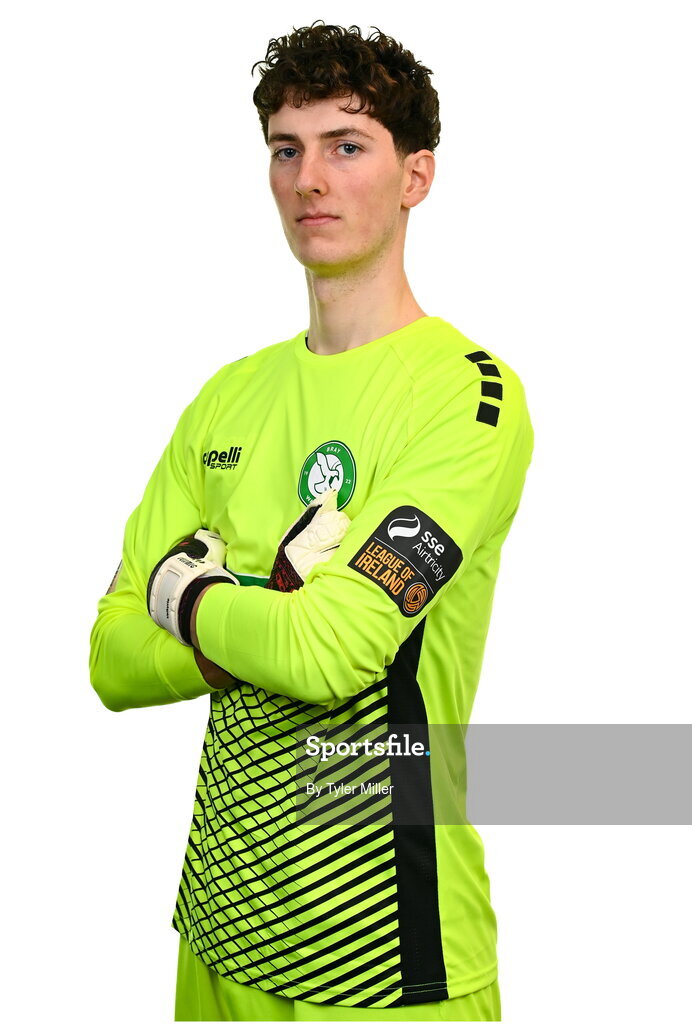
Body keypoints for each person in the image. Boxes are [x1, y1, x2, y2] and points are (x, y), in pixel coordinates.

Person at [89, 20, 533, 1023]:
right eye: (284, 149)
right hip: (217, 936)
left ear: (416, 175)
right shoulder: (226, 397)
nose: (308, 180)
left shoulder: (465, 398)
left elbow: (333, 652)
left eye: (345, 145)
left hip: (382, 968)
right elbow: (111, 659)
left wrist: (185, 589)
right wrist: (248, 617)